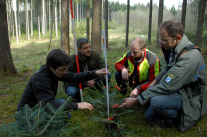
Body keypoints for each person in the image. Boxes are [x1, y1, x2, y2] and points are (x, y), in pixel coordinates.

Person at [118, 20, 206, 132]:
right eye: (160, 39)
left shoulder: (189, 58)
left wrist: (137, 100)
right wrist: (155, 81)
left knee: (155, 101)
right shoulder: (177, 48)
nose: (161, 43)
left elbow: (167, 86)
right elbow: (168, 67)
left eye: (164, 40)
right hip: (178, 88)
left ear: (178, 38)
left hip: (188, 95)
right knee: (148, 117)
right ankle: (167, 109)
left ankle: (177, 117)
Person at [17, 49, 108, 118]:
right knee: (63, 114)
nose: (65, 72)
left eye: (66, 68)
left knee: (62, 104)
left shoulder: (55, 71)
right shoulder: (41, 79)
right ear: (51, 67)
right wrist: (77, 105)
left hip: (41, 107)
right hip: (27, 116)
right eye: (62, 69)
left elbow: (74, 77)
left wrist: (95, 73)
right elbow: (49, 105)